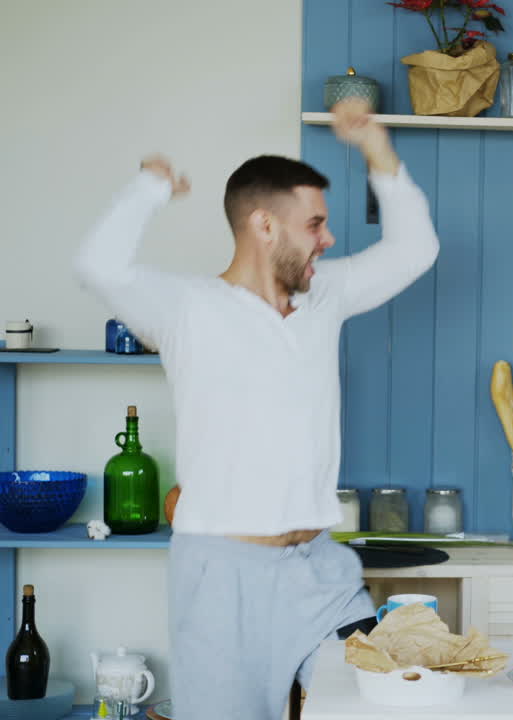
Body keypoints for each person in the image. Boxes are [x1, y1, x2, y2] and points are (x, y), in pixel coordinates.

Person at [72, 99, 439, 719]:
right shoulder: (186, 307)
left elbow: (415, 249)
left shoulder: (324, 297)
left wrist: (377, 146)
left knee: (388, 703)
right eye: (315, 224)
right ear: (265, 226)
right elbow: (97, 264)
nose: (328, 239)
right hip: (223, 577)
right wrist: (149, 187)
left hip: (319, 569)